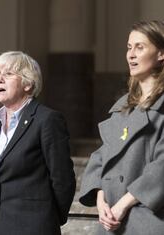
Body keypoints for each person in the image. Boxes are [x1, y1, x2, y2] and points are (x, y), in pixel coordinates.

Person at [79, 20, 164, 234]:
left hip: (147, 219)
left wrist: (124, 203)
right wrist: (101, 199)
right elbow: (102, 156)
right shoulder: (124, 105)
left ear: (161, 54)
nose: (131, 55)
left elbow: (162, 168)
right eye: (129, 47)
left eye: (140, 47)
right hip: (111, 219)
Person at [0, 51, 76, 235]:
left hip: (32, 226)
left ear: (28, 83)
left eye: (8, 74)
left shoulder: (46, 120)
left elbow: (63, 178)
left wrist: (50, 217)